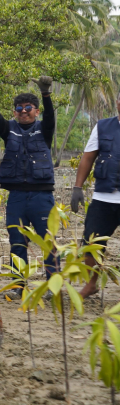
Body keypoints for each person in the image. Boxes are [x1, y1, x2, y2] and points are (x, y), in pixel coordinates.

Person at [0, 75, 57, 294]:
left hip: (41, 197)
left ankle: (53, 286)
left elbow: (50, 117)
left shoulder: (44, 130)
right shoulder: (8, 130)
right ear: (14, 112)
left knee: (48, 242)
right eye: (19, 108)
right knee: (17, 242)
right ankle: (18, 285)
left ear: (36, 111)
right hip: (17, 197)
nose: (23, 111)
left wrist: (45, 95)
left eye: (28, 107)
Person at [71, 91, 120, 298]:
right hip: (104, 197)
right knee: (91, 243)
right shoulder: (103, 126)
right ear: (118, 103)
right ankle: (91, 284)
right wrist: (77, 188)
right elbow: (88, 157)